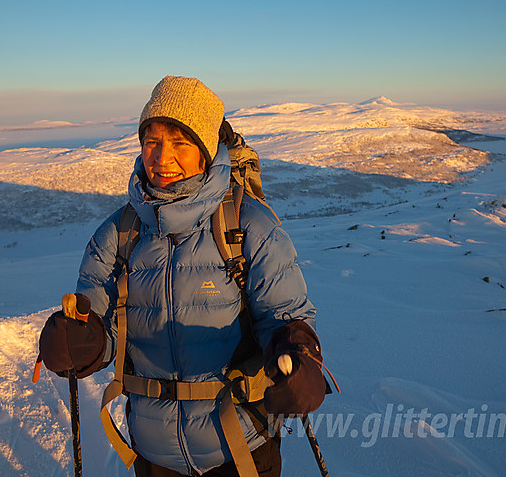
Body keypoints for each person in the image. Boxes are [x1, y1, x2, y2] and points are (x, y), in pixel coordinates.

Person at [38, 76, 328, 476]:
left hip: (241, 452)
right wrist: (80, 343)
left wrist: (298, 354)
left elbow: (284, 315)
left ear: (207, 152)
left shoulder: (247, 227)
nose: (161, 157)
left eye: (179, 143)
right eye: (152, 141)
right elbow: (102, 332)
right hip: (155, 458)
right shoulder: (119, 235)